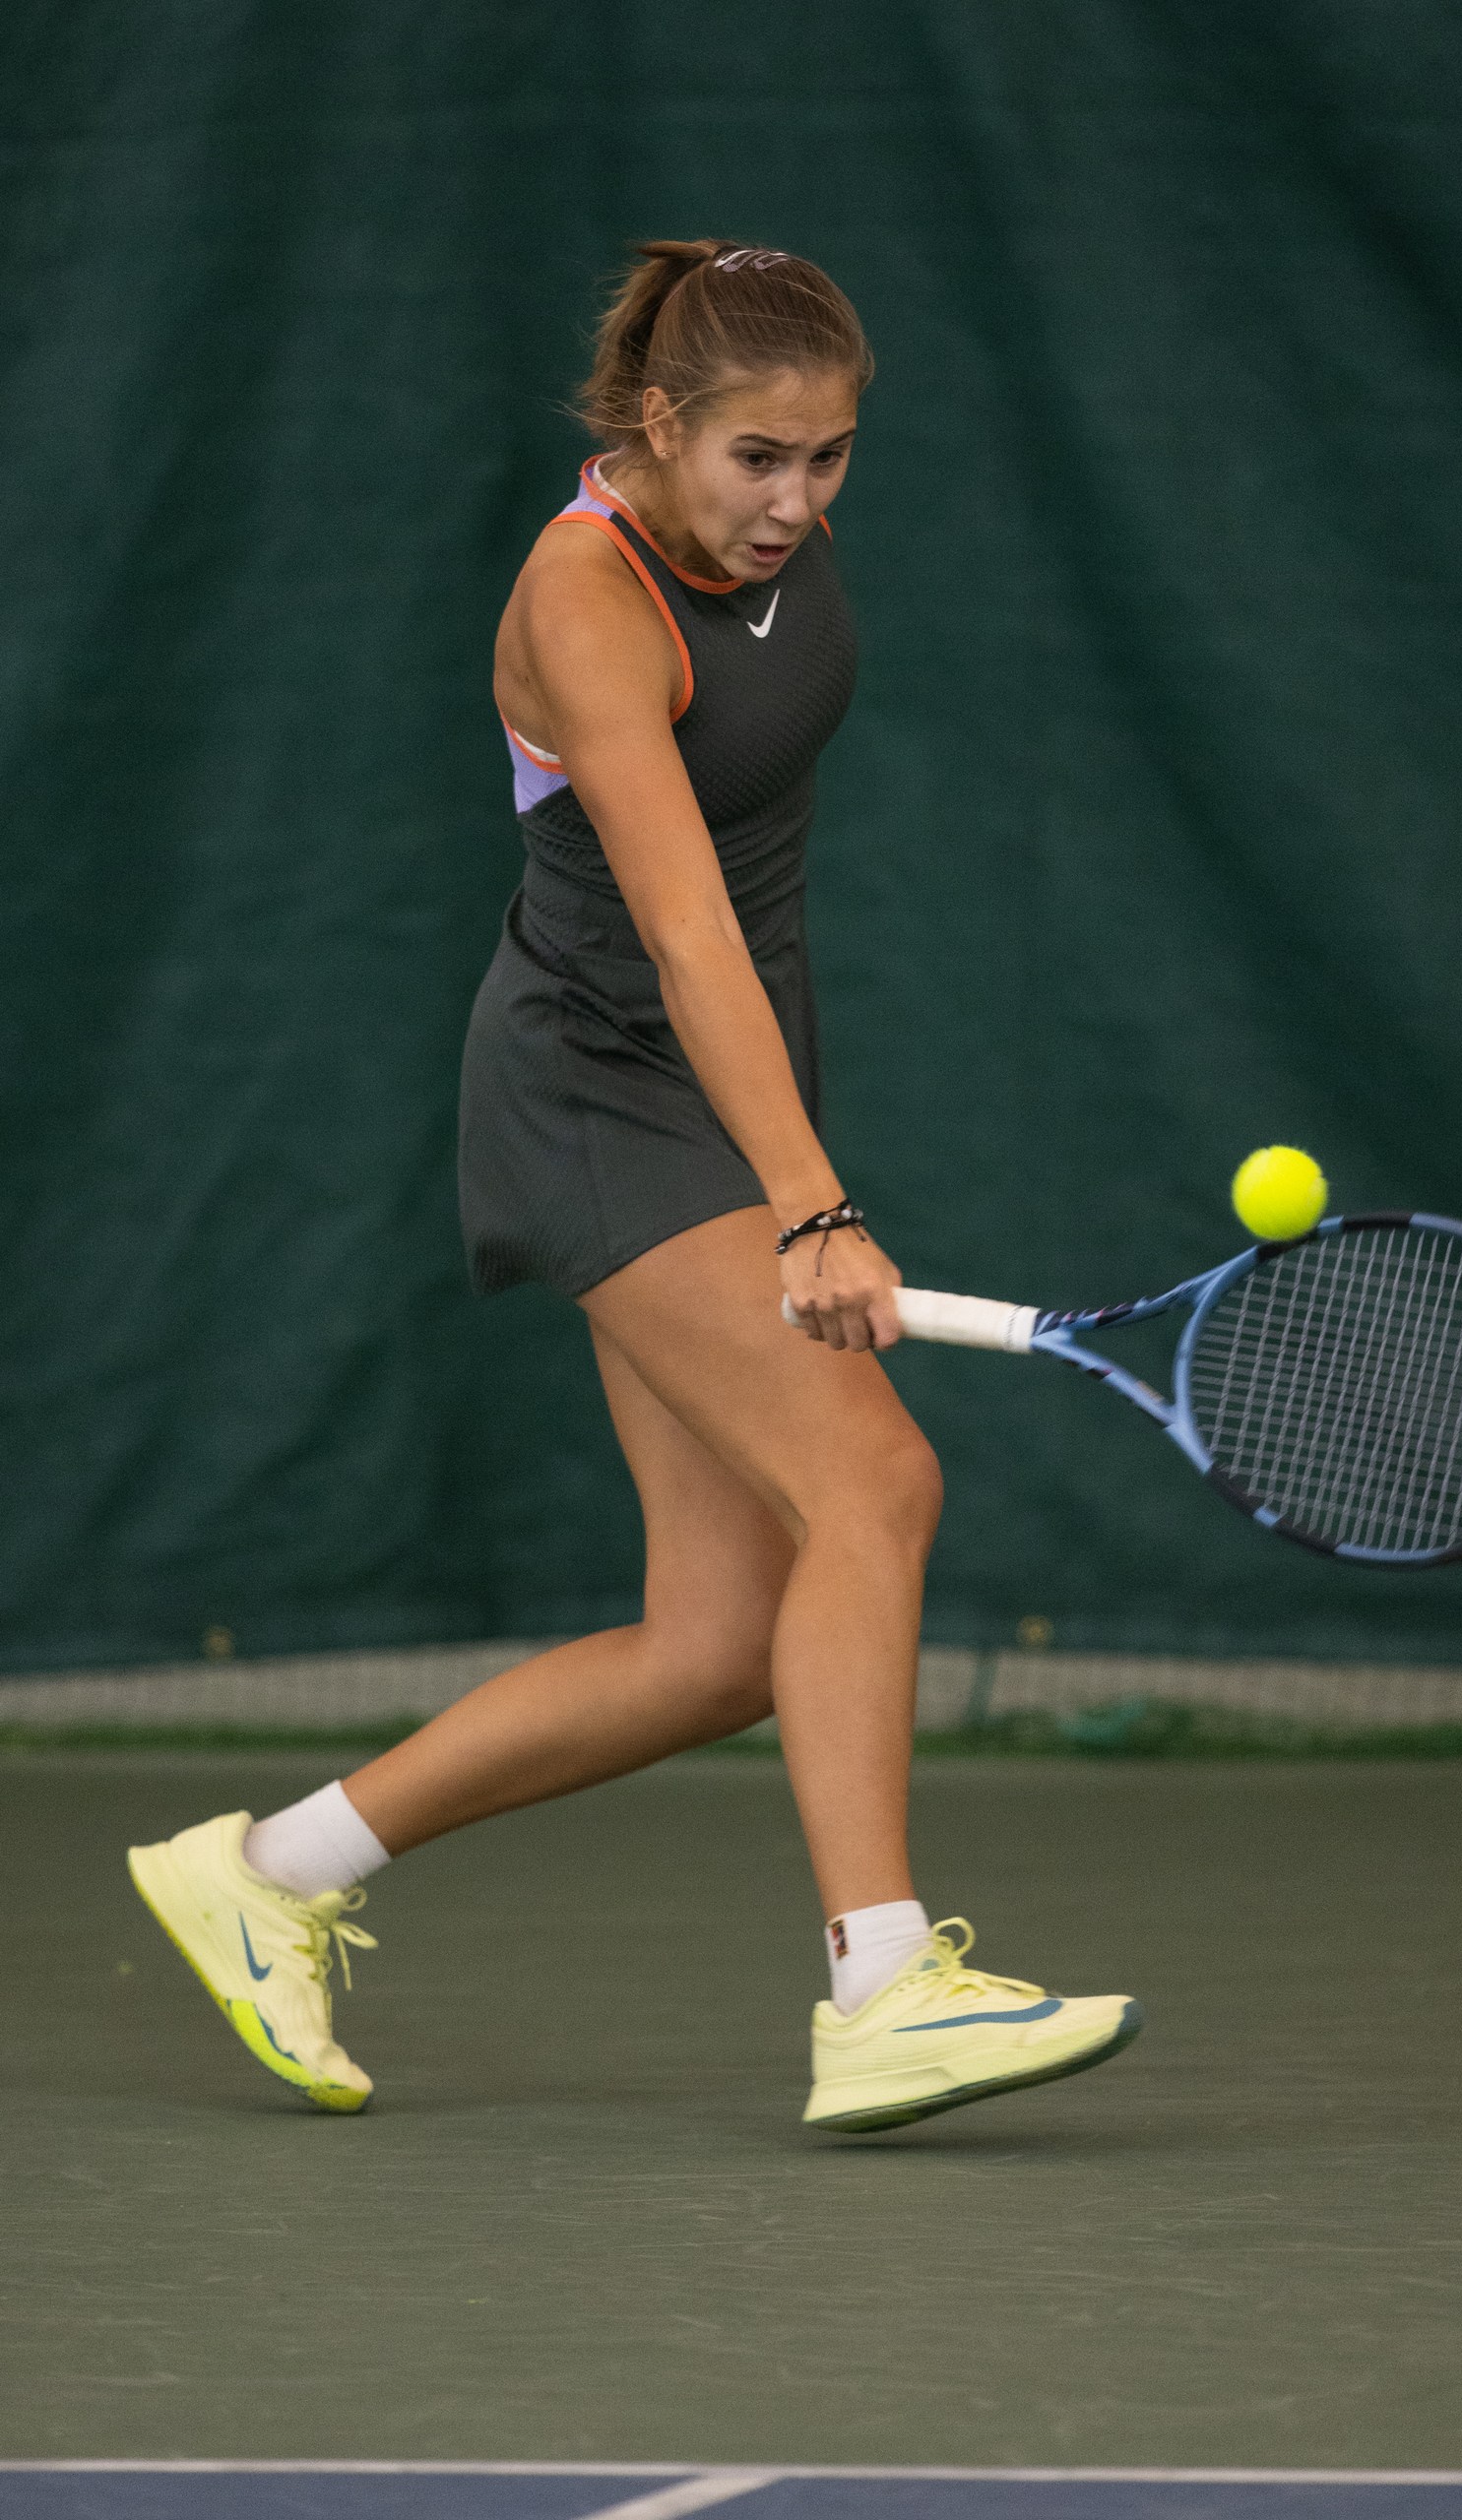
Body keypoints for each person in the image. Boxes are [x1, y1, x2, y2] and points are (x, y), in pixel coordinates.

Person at [127, 239, 1142, 2130]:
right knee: (879, 1482)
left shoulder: (770, 539)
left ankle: (264, 1875)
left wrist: (788, 1160)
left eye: (832, 458)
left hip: (722, 1090)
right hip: (602, 1092)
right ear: (657, 424)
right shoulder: (585, 597)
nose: (798, 502)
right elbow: (684, 929)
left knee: (715, 1646)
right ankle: (885, 1987)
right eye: (759, 457)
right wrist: (812, 1204)